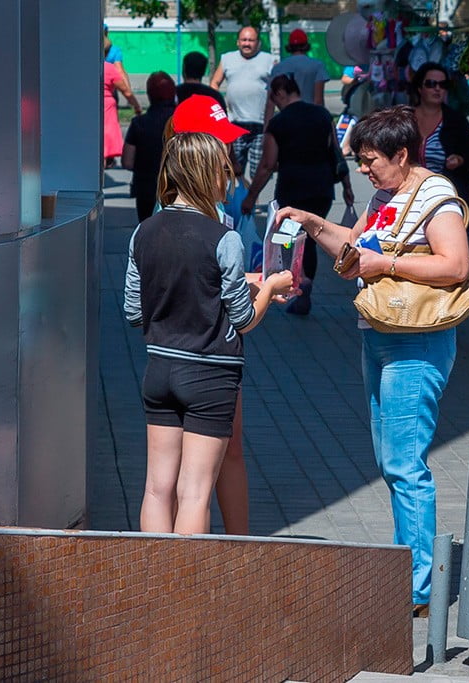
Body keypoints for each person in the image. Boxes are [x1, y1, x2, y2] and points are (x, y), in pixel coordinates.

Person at [273, 106, 469, 616]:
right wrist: (313, 222)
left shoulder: (436, 198)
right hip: (381, 332)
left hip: (417, 340)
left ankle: (419, 588)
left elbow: (454, 263)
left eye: (370, 160)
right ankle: (409, 570)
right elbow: (354, 244)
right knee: (391, 461)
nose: (363, 169)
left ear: (401, 155)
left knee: (405, 464)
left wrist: (389, 263)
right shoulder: (388, 193)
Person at [124, 132, 294, 535]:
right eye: (224, 168)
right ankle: (186, 589)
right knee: (195, 491)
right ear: (207, 174)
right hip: (211, 375)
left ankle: (154, 581)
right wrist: (270, 287)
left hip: (159, 369)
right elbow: (243, 318)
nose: (230, 175)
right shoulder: (224, 238)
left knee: (157, 488)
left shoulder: (142, 232)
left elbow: (134, 313)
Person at [166, 94, 256, 534]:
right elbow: (237, 311)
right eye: (222, 142)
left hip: (173, 357)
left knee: (218, 457)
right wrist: (262, 289)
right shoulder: (202, 213)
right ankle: (200, 570)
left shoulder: (185, 208)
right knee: (191, 482)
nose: (230, 153)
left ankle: (235, 552)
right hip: (209, 356)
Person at [240, 74, 354, 315]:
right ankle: (304, 283)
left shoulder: (279, 123)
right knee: (311, 239)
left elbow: (267, 165)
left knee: (288, 240)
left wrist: (251, 196)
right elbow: (335, 151)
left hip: (292, 190)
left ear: (280, 93)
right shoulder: (322, 115)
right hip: (322, 189)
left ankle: (292, 285)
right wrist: (347, 187)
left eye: (273, 97)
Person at [409, 63, 469, 222]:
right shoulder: (405, 119)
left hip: (446, 200)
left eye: (443, 84)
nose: (437, 89)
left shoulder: (457, 121)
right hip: (409, 198)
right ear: (420, 88)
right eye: (431, 84)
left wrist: (460, 160)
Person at [210, 26, 277, 181]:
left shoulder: (269, 60)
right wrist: (220, 108)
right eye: (244, 40)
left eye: (251, 40)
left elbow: (277, 88)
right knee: (231, 170)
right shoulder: (227, 58)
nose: (247, 44)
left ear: (258, 43)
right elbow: (215, 82)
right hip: (235, 125)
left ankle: (254, 202)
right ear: (238, 42)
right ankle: (234, 202)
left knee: (259, 172)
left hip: (261, 126)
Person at [123, 71, 178, 222]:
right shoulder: (184, 121)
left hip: (146, 189)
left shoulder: (139, 123)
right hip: (178, 189)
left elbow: (127, 161)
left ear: (149, 94)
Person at [103, 40, 141, 167]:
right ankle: (105, 160)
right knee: (107, 131)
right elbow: (126, 91)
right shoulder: (109, 68)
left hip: (88, 104)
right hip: (107, 104)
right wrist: (136, 106)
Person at [269, 29, 329, 105]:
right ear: (306, 45)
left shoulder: (279, 68)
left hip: (287, 114)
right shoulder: (317, 65)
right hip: (309, 113)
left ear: (290, 46)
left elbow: (271, 101)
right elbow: (318, 100)